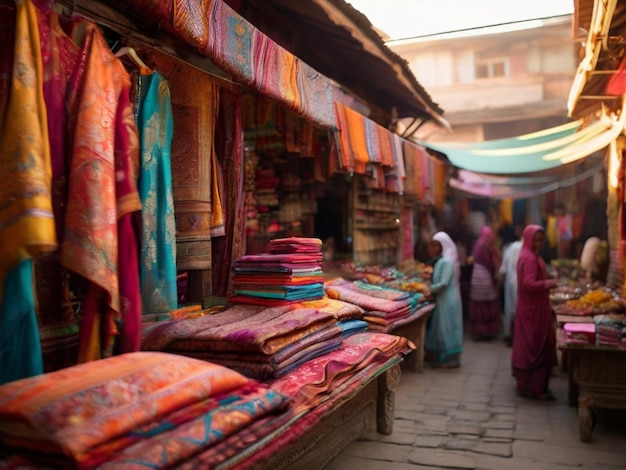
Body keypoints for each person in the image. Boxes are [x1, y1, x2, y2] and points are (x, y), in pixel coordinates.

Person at [512, 225, 558, 401]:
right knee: (535, 344)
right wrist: (550, 283)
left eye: (541, 240)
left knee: (529, 342)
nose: (539, 243)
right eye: (536, 240)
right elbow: (528, 284)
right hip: (533, 309)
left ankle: (529, 385)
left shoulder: (526, 255)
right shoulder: (530, 258)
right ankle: (535, 387)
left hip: (530, 307)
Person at [424, 232, 464, 368]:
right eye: (432, 245)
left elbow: (443, 283)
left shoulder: (446, 262)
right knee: (443, 329)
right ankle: (443, 359)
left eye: (437, 245)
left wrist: (427, 289)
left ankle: (450, 359)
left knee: (448, 329)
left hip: (447, 300)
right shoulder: (441, 261)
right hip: (443, 299)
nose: (433, 249)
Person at [469, 226, 501, 340]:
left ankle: (479, 332)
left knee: (479, 304)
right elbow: (489, 263)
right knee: (488, 304)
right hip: (485, 277)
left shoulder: (478, 243)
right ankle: (488, 332)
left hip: (477, 277)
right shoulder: (486, 245)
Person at [499, 228, 523, 347]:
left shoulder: (509, 248)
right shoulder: (525, 248)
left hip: (510, 282)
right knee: (520, 310)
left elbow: (503, 268)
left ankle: (510, 335)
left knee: (510, 309)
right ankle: (519, 337)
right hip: (522, 281)